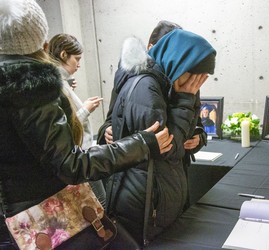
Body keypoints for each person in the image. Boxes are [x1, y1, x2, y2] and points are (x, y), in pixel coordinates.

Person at [0, 0, 173, 248]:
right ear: (41, 39)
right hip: (44, 219)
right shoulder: (30, 89)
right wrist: (141, 144)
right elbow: (70, 165)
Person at [105, 28, 216, 245]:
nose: (195, 83)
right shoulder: (147, 87)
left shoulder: (168, 83)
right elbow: (166, 148)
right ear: (179, 63)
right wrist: (185, 101)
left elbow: (192, 128)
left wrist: (197, 136)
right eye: (193, 76)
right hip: (146, 200)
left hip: (159, 193)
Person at [97, 20, 207, 209]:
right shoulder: (139, 82)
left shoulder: (184, 79)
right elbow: (113, 118)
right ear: (151, 47)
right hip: (145, 184)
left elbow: (196, 123)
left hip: (172, 178)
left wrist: (199, 137)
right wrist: (106, 130)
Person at [47, 33, 107, 208]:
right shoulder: (56, 84)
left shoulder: (61, 82)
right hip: (79, 158)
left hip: (79, 156)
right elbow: (65, 127)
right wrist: (85, 109)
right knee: (101, 205)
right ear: (64, 55)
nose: (79, 64)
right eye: (77, 59)